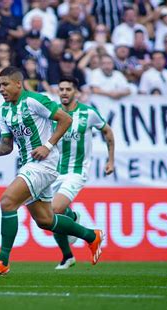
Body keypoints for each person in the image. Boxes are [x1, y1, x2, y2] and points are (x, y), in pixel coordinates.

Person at [0, 67, 104, 276]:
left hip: (44, 164)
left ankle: (2, 261)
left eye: (5, 84)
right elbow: (7, 146)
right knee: (46, 220)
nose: (1, 89)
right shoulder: (5, 110)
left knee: (8, 201)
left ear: (18, 83)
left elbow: (66, 119)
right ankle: (92, 236)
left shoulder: (35, 100)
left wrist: (48, 145)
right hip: (28, 164)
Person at [52, 77, 115, 269]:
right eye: (61, 89)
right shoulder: (52, 112)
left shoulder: (88, 113)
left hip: (76, 172)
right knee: (49, 218)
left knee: (55, 210)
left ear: (76, 92)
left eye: (68, 89)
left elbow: (108, 132)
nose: (64, 92)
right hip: (53, 172)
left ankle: (88, 233)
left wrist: (110, 160)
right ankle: (67, 256)